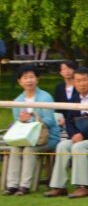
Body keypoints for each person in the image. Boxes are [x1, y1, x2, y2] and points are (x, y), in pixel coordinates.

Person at [45, 68, 88, 198]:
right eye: (78, 81)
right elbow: (69, 120)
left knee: (78, 147)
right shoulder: (74, 98)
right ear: (74, 82)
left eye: (84, 80)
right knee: (62, 145)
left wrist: (82, 135)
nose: (81, 84)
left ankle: (82, 187)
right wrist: (74, 135)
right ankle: (58, 186)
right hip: (79, 136)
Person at [4, 65, 61, 195]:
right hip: (25, 138)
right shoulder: (18, 100)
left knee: (29, 150)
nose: (29, 81)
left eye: (31, 77)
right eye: (25, 78)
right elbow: (17, 123)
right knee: (15, 149)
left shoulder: (45, 97)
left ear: (37, 79)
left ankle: (25, 186)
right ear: (20, 81)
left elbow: (50, 121)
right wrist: (21, 121)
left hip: (46, 138)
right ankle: (12, 185)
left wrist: (31, 119)